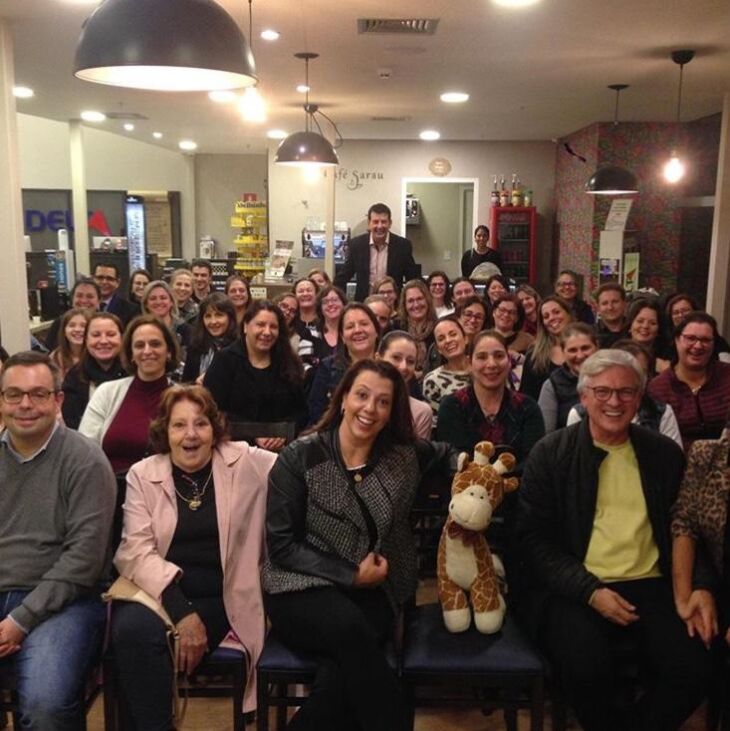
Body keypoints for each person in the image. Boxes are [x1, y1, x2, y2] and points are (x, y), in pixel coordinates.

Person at [514, 349, 711, 731]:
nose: (614, 402)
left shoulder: (663, 455)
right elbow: (534, 541)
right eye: (602, 392)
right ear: (583, 397)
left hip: (653, 584)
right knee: (585, 667)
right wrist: (590, 590)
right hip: (577, 587)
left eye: (625, 392)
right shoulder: (550, 455)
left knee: (695, 666)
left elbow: (690, 527)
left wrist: (699, 585)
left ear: (640, 398)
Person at [263, 359, 453, 731]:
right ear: (343, 397)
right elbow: (282, 545)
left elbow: (446, 453)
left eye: (383, 402)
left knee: (341, 679)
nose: (371, 409)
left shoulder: (402, 455)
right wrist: (350, 574)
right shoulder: (300, 457)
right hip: (299, 586)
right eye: (362, 396)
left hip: (377, 590)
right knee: (351, 631)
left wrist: (470, 462)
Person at [110, 385, 277, 725]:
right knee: (129, 633)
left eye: (200, 424)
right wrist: (182, 614)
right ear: (164, 431)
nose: (190, 435)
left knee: (145, 644)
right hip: (158, 594)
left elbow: (301, 466)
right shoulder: (144, 474)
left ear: (214, 429)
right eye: (179, 425)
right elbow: (135, 551)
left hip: (224, 596)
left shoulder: (244, 461)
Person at [0, 351, 115, 730]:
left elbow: (84, 560)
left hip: (65, 603)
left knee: (46, 705)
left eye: (38, 394)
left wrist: (20, 619)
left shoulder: (85, 460)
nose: (25, 405)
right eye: (13, 395)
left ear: (58, 400)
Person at [79, 315, 178, 473]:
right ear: (131, 354)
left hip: (162, 491)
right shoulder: (106, 392)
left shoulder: (182, 398)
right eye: (139, 345)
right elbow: (84, 451)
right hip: (109, 489)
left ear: (169, 352)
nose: (147, 351)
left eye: (155, 344)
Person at [204, 300, 307, 449]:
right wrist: (253, 435)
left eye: (273, 327)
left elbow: (301, 411)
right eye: (260, 325)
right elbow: (212, 410)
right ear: (246, 326)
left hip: (280, 451)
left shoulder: (288, 362)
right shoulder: (225, 361)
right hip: (233, 449)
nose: (267, 332)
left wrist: (283, 433)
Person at [436, 329, 545, 469]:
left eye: (499, 356)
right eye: (482, 357)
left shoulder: (527, 407)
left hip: (518, 488)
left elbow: (533, 463)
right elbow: (454, 463)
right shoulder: (452, 406)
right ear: (470, 362)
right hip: (465, 489)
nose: (492, 364)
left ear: (509, 361)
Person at [567, 339, 683, 448]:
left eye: (640, 373)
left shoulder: (660, 412)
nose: (614, 402)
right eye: (602, 391)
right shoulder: (579, 414)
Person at [648, 312, 730, 452]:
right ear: (677, 340)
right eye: (690, 338)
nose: (698, 346)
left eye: (705, 340)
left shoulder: (727, 376)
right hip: (678, 466)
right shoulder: (658, 388)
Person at [307, 304, 380, 425]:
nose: (358, 330)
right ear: (342, 337)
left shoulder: (390, 367)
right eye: (350, 326)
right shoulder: (328, 368)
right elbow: (316, 415)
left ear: (376, 331)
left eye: (364, 324)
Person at [334, 203, 417, 302]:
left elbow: (412, 279)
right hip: (365, 305)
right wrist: (339, 301)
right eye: (376, 222)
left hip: (392, 306)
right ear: (369, 223)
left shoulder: (402, 246)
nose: (380, 226)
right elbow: (343, 277)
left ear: (390, 223)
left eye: (384, 222)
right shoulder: (357, 245)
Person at [62, 312, 127, 430]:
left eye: (111, 334)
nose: (103, 341)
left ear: (122, 338)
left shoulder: (135, 373)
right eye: (96, 335)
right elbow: (71, 423)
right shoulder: (74, 377)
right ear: (86, 340)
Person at [537, 322, 598, 432]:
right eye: (572, 350)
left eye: (585, 348)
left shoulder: (612, 378)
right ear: (563, 352)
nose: (580, 355)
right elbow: (546, 434)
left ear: (597, 347)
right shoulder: (552, 385)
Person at [376, 331, 432, 439]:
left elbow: (415, 454)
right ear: (378, 359)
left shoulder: (421, 412)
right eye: (396, 358)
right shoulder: (358, 399)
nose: (403, 367)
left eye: (410, 361)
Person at [519, 295, 574, 400]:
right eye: (546, 316)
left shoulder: (585, 348)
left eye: (556, 312)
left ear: (568, 314)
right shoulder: (534, 354)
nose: (552, 318)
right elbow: (526, 396)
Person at [422, 316, 471, 426]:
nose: (448, 340)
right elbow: (434, 424)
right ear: (438, 349)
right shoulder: (432, 380)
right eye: (441, 338)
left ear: (465, 338)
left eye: (453, 334)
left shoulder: (482, 367)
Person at [181, 292, 238, 383]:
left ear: (230, 317)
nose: (213, 321)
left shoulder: (239, 347)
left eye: (219, 315)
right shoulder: (195, 346)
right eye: (208, 316)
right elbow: (185, 383)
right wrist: (196, 383)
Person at [44, 278, 101, 351]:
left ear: (99, 300)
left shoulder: (106, 324)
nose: (84, 301)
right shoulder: (59, 324)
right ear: (72, 299)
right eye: (79, 296)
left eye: (90, 296)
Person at [396, 279, 436, 378]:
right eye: (410, 301)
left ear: (427, 300)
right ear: (404, 305)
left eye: (420, 299)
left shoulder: (438, 328)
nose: (416, 305)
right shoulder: (396, 328)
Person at [141, 280, 189, 350]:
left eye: (163, 298)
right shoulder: (139, 329)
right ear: (146, 304)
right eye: (153, 298)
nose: (158, 302)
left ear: (171, 302)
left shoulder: (185, 330)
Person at [627, 298, 670, 374]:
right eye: (640, 321)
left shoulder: (669, 357)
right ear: (630, 325)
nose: (645, 326)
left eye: (652, 323)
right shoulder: (617, 353)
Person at [49, 307, 89, 378]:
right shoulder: (55, 357)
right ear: (64, 331)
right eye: (72, 325)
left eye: (83, 326)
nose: (77, 329)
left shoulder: (97, 356)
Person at [94, 262, 137, 326]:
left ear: (118, 282)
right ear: (93, 279)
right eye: (100, 278)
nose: (104, 282)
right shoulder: (84, 305)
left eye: (109, 279)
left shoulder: (131, 310)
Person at [313, 285, 347, 362]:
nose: (330, 304)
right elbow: (305, 364)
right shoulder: (311, 334)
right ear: (320, 309)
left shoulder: (351, 331)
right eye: (325, 302)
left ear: (343, 303)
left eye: (335, 300)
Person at [594, 282, 627, 348]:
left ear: (624, 304)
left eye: (615, 302)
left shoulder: (635, 331)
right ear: (598, 308)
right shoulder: (591, 334)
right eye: (605, 303)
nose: (610, 307)